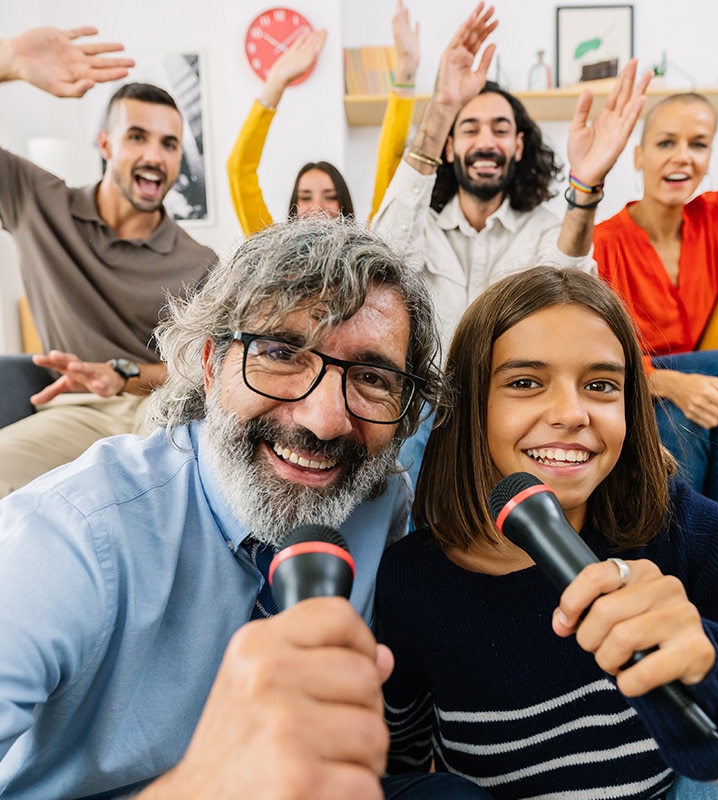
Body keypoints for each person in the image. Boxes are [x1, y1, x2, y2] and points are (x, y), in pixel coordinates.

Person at [0, 218, 489, 799]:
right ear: (211, 365)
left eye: (371, 376)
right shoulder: (70, 537)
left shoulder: (377, 500)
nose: (324, 420)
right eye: (282, 353)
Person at [375, 266, 718, 799]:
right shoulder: (409, 583)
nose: (572, 414)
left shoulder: (674, 522)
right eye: (525, 383)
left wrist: (717, 677)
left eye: (600, 386)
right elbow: (395, 759)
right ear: (468, 405)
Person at [0, 26, 217, 497]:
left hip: (157, 412)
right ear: (105, 144)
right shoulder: (37, 201)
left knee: (167, 494)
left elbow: (201, 370)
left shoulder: (199, 263)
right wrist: (9, 62)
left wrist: (121, 373)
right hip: (72, 411)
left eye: (169, 144)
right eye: (137, 137)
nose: (154, 156)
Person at [371, 2, 651, 351]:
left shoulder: (544, 232)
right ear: (449, 147)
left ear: (518, 147)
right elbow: (380, 265)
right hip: (428, 402)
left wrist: (587, 184)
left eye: (500, 130)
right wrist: (441, 109)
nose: (486, 143)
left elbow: (572, 295)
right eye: (470, 129)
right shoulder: (420, 227)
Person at [593, 90, 718, 542]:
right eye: (667, 143)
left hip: (690, 394)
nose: (682, 157)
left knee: (704, 398)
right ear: (639, 157)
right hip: (623, 390)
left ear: (709, 157)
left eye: (698, 144)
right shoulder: (604, 244)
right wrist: (671, 384)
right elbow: (593, 357)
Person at [227, 0, 418, 234]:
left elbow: (390, 172)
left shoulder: (367, 251)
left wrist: (406, 70)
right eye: (305, 197)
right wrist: (277, 80)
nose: (317, 208)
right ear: (293, 209)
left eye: (330, 196)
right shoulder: (272, 253)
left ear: (344, 206)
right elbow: (239, 168)